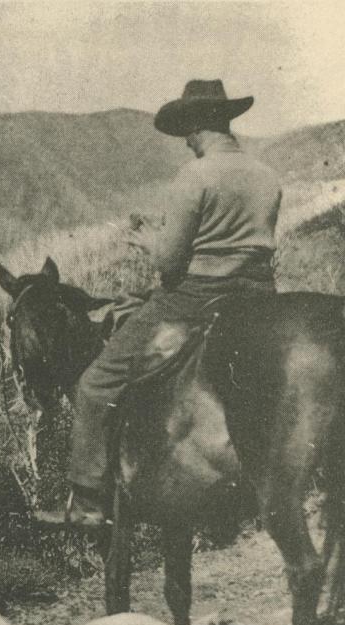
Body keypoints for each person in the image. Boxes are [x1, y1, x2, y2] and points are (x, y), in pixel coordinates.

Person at [38, 79, 282, 528]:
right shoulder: (266, 175)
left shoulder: (194, 176)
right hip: (259, 295)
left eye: (187, 129)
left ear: (198, 125)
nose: (186, 140)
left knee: (96, 383)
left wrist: (150, 242)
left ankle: (88, 501)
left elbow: (170, 267)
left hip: (195, 298)